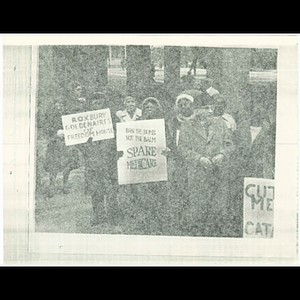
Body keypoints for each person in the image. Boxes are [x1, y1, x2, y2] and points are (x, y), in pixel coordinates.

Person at [177, 95, 234, 237]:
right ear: (196, 110)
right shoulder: (187, 126)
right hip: (198, 174)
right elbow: (182, 148)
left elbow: (230, 144)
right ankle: (198, 234)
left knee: (218, 207)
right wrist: (199, 158)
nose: (207, 112)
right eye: (203, 109)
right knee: (198, 208)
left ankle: (217, 234)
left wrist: (222, 154)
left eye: (209, 108)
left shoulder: (221, 124)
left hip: (218, 173)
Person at [81, 95, 121, 227]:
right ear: (91, 105)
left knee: (111, 190)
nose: (97, 105)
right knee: (95, 190)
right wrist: (85, 147)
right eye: (94, 103)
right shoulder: (84, 121)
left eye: (99, 103)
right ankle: (98, 215)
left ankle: (114, 215)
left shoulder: (112, 118)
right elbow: (78, 141)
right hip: (92, 160)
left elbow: (120, 134)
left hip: (109, 160)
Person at [44, 100, 80, 197]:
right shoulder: (50, 115)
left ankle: (65, 184)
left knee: (68, 164)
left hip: (66, 143)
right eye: (58, 103)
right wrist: (55, 132)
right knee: (53, 165)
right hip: (54, 143)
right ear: (54, 104)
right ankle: (52, 185)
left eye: (61, 104)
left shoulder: (67, 115)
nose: (59, 105)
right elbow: (46, 128)